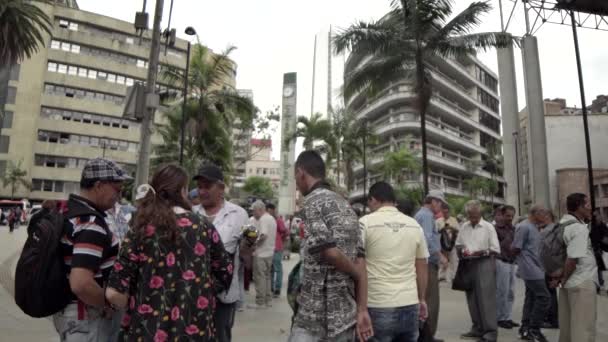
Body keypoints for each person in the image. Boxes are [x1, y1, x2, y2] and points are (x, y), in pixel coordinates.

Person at [106, 164, 233, 341]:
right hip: (194, 329)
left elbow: (114, 292)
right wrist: (199, 289)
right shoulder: (203, 227)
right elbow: (225, 272)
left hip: (145, 330)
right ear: (183, 190)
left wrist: (138, 299)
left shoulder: (140, 227)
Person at [288, 151, 372, 342]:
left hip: (312, 320)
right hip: (345, 319)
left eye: (296, 178)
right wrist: (362, 310)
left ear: (301, 173)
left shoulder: (310, 204)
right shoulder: (347, 207)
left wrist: (355, 273)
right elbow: (361, 261)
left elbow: (330, 253)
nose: (297, 184)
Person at [52, 158, 131, 341]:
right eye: (116, 190)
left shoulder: (69, 213)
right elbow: (81, 283)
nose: (118, 197)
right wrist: (106, 303)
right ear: (99, 185)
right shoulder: (90, 223)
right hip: (87, 317)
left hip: (72, 314)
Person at [359, 182, 429, 342]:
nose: (369, 207)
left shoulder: (365, 223)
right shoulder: (414, 225)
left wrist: (361, 307)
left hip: (378, 305)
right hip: (410, 304)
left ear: (373, 199)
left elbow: (358, 264)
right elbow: (422, 265)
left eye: (369, 203)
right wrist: (422, 299)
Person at [192, 164, 249, 342]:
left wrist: (249, 245)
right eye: (199, 187)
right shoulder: (191, 214)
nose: (202, 191)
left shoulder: (238, 214)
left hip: (223, 295)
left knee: (221, 336)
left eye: (207, 186)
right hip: (194, 292)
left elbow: (245, 254)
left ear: (221, 188)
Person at [556, 193, 597, 342]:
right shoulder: (578, 228)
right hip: (581, 281)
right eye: (587, 204)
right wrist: (564, 279)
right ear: (579, 207)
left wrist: (561, 280)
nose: (590, 207)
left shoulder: (562, 224)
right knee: (583, 328)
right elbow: (572, 259)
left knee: (567, 329)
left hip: (568, 284)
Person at [457, 200, 500, 342]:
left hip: (484, 263)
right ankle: (477, 328)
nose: (473, 218)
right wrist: (462, 250)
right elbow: (459, 244)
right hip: (468, 264)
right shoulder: (464, 226)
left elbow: (495, 248)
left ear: (480, 213)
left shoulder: (488, 227)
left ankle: (490, 333)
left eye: (475, 215)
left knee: (486, 300)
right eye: (470, 215)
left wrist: (479, 253)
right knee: (472, 298)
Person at [512, 205, 550, 342]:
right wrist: (522, 264)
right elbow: (516, 247)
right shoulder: (524, 227)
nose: (545, 216)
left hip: (537, 268)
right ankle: (534, 329)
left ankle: (525, 329)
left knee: (531, 299)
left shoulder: (535, 227)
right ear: (535, 213)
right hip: (530, 269)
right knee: (544, 298)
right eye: (543, 213)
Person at [414, 190, 448, 342]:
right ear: (433, 201)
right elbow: (427, 239)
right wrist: (440, 256)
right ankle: (428, 336)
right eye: (440, 202)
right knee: (431, 301)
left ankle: (424, 335)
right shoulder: (427, 216)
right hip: (427, 263)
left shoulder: (420, 215)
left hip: (422, 262)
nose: (441, 206)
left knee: (424, 300)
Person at [494, 205, 519, 329]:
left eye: (512, 216)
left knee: (511, 292)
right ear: (502, 215)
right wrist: (509, 236)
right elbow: (498, 247)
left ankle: (507, 316)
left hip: (512, 262)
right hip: (501, 261)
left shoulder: (514, 229)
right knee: (502, 291)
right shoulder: (496, 229)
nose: (510, 218)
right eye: (508, 215)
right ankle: (500, 318)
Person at [249, 200, 277, 309]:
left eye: (254, 211)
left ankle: (260, 302)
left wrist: (255, 244)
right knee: (267, 277)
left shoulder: (263, 219)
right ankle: (267, 300)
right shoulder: (271, 218)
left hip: (261, 253)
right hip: (270, 252)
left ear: (260, 209)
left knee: (259, 278)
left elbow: (264, 235)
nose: (253, 213)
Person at [539, 211, 559, 329]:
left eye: (544, 216)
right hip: (553, 265)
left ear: (549, 217)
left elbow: (544, 251)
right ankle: (553, 319)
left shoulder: (547, 231)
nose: (542, 218)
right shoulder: (555, 228)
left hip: (548, 266)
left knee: (549, 293)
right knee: (551, 293)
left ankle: (551, 320)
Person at [266, 203, 288, 297]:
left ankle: (277, 289)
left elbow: (285, 231)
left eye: (268, 210)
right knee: (270, 269)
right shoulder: (265, 219)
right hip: (267, 248)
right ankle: (270, 288)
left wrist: (280, 239)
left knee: (277, 269)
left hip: (276, 248)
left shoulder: (277, 220)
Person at [437, 203, 459, 283]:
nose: (445, 214)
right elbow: (436, 232)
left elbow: (458, 231)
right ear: (442, 211)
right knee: (443, 260)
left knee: (453, 260)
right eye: (444, 212)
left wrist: (451, 228)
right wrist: (442, 229)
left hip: (452, 243)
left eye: (447, 212)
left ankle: (453, 277)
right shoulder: (438, 221)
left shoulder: (453, 220)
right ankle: (441, 276)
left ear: (449, 211)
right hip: (442, 244)